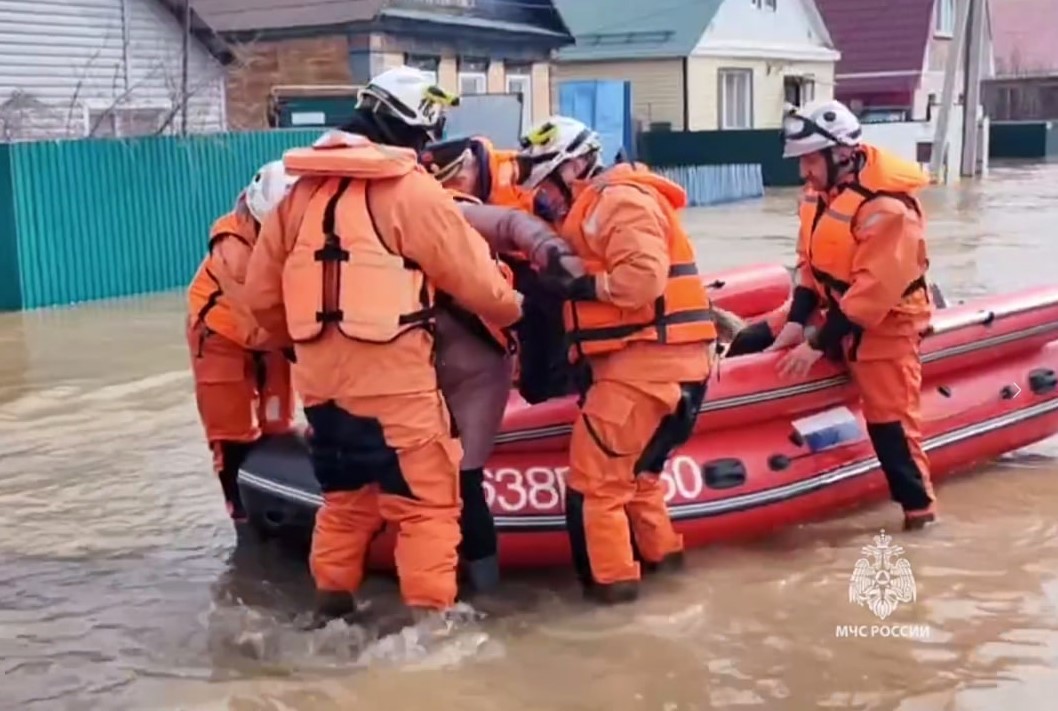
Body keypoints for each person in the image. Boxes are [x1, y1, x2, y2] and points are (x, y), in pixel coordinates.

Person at [242, 66, 523, 626]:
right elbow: (475, 281)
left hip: (322, 387)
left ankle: (330, 614)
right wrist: (517, 311)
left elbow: (260, 298)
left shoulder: (298, 197)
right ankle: (429, 632)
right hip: (395, 383)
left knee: (345, 503)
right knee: (428, 506)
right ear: (413, 127)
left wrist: (308, 349)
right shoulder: (409, 191)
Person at [516, 116, 717, 604]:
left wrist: (581, 285)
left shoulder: (617, 201)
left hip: (643, 369)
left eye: (547, 185)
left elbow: (642, 279)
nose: (545, 198)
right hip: (671, 367)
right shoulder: (604, 203)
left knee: (595, 488)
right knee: (640, 483)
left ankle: (611, 600)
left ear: (574, 167)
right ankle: (667, 580)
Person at [418, 139, 585, 596]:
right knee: (462, 476)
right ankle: (480, 588)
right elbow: (503, 256)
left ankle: (458, 586)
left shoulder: (398, 215)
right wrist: (525, 307)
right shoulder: (457, 214)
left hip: (431, 357)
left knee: (441, 477)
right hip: (469, 358)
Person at [770, 99, 937, 531]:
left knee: (890, 426)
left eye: (810, 160)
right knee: (754, 338)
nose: (804, 171)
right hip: (832, 309)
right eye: (802, 160)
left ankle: (920, 514)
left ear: (842, 154)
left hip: (885, 325)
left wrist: (816, 343)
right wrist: (796, 322)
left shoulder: (888, 209)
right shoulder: (819, 196)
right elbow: (809, 266)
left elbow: (872, 294)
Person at [186, 161, 298, 534]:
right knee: (231, 430)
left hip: (274, 332)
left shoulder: (300, 228)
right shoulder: (234, 252)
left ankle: (283, 498)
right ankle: (241, 513)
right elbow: (257, 321)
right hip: (220, 334)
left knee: (278, 422)